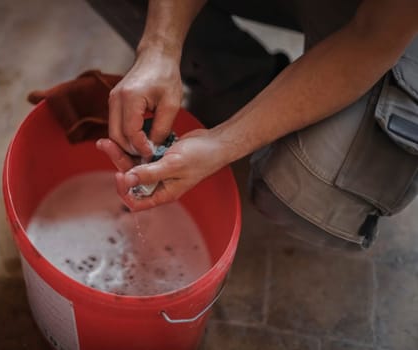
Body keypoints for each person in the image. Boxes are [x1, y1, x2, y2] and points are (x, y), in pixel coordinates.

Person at [91, 0, 418, 249]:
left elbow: (370, 38)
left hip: (392, 24)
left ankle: (278, 111)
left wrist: (224, 142)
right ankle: (245, 88)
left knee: (302, 195)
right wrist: (159, 48)